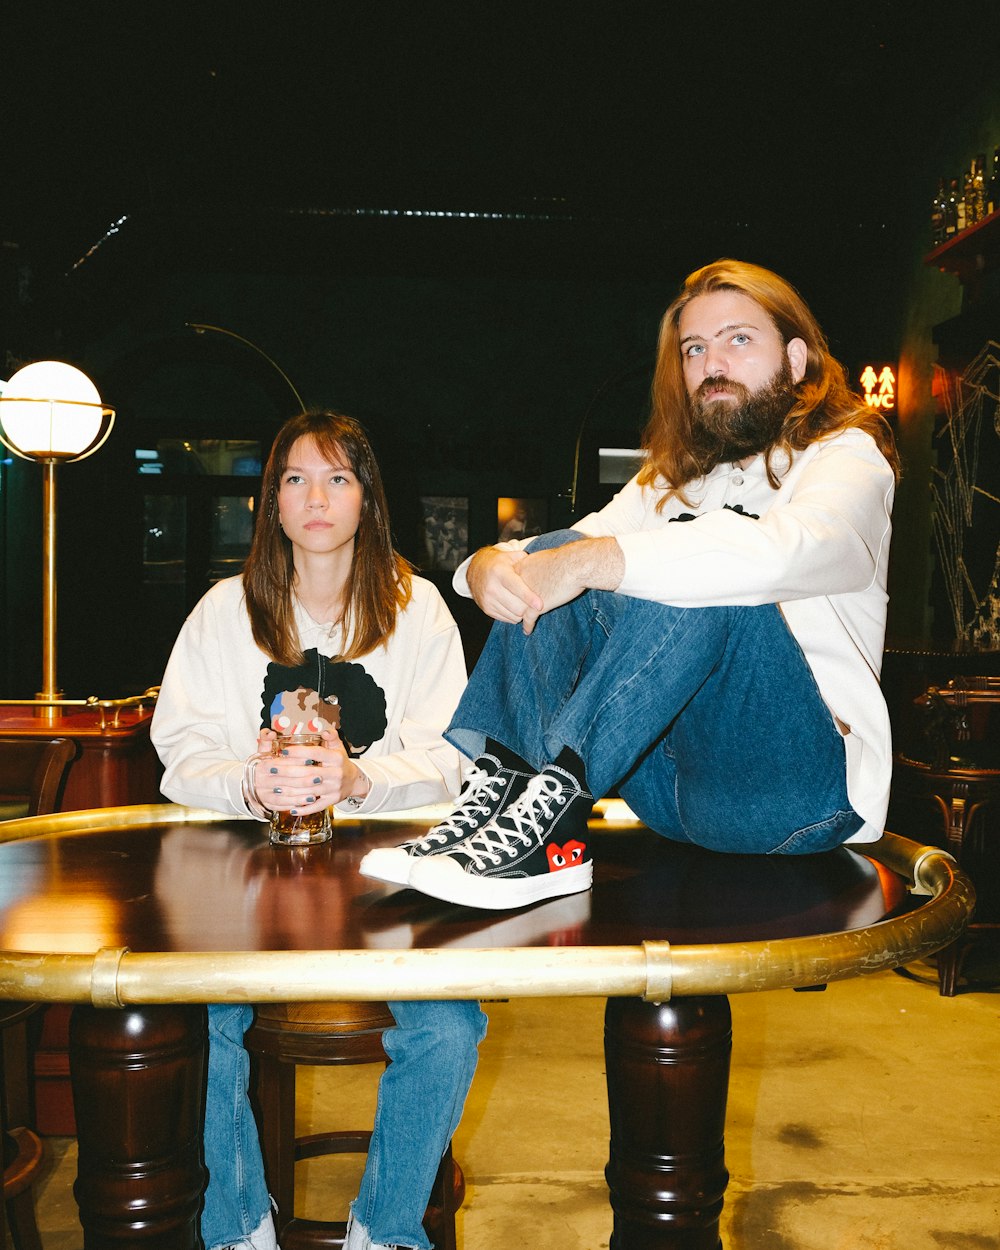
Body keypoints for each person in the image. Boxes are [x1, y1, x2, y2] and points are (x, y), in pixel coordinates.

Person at [361, 258, 901, 913]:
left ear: (796, 359)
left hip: (794, 790)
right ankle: (502, 796)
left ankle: (552, 819)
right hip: (667, 791)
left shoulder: (847, 456)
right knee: (567, 550)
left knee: (700, 580)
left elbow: (802, 548)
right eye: (694, 349)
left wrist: (596, 563)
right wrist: (481, 568)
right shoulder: (671, 482)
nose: (711, 364)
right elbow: (556, 553)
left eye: (738, 339)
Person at [151, 409, 490, 1250]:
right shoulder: (223, 612)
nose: (316, 496)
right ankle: (237, 1227)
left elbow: (453, 753)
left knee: (450, 1024)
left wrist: (360, 777)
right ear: (271, 501)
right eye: (295, 478)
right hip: (246, 874)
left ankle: (385, 1226)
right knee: (199, 1018)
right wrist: (246, 780)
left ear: (368, 499)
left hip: (386, 870)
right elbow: (177, 746)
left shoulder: (421, 613)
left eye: (339, 477)